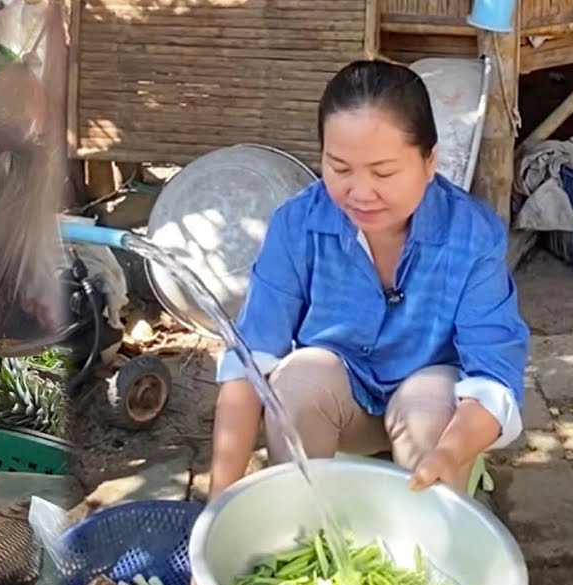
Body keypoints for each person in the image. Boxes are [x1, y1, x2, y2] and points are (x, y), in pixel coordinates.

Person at [207, 59, 529, 501]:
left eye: (383, 172)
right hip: (342, 404)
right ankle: (303, 525)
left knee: (429, 406)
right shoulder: (298, 225)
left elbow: (495, 374)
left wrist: (448, 453)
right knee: (297, 383)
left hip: (432, 407)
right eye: (339, 168)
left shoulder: (473, 237)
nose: (360, 193)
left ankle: (431, 547)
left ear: (430, 160)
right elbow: (249, 360)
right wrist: (217, 505)